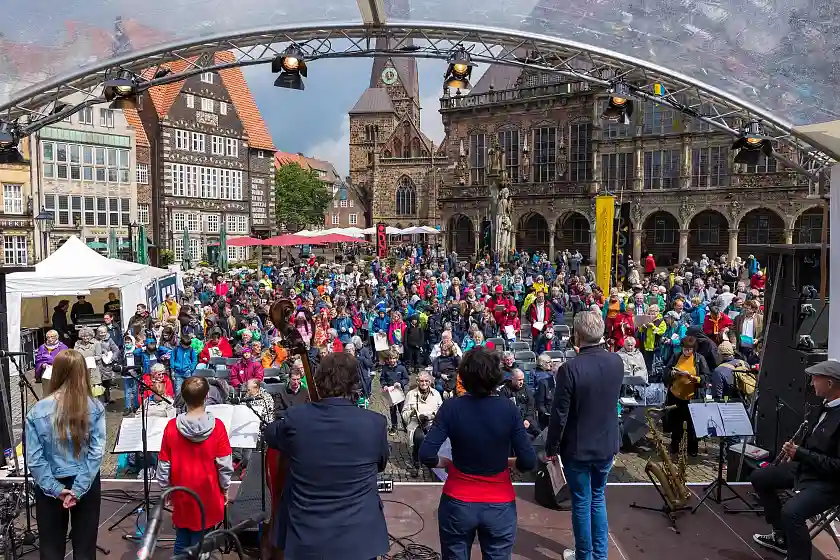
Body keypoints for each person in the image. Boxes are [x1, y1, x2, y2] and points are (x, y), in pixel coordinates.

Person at [264, 352, 390, 560]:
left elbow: (271, 434)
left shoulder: (296, 418)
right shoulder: (375, 423)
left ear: (319, 379)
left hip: (306, 536)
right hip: (359, 538)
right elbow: (381, 464)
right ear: (355, 383)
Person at [419, 347, 537, 560]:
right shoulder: (508, 409)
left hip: (458, 501)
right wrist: (507, 462)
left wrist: (445, 462)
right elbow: (528, 461)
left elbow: (426, 454)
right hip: (499, 504)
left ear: (464, 376)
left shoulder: (451, 407)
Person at [544, 311, 624, 560]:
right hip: (606, 444)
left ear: (577, 336)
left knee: (581, 502)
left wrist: (551, 448)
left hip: (578, 447)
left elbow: (559, 414)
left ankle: (584, 556)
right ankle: (599, 556)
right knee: (597, 498)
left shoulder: (569, 369)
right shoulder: (617, 361)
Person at [750, 359, 840, 560]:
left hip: (830, 482)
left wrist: (801, 454)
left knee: (792, 512)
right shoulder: (823, 407)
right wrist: (794, 453)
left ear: (830, 383)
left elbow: (837, 466)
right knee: (760, 477)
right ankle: (780, 536)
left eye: (816, 379)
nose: (811, 383)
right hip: (808, 469)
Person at [26, 349, 106, 560]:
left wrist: (55, 489)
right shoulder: (95, 407)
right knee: (85, 547)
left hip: (49, 482)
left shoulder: (37, 411)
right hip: (86, 481)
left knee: (51, 548)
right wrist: (78, 489)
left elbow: (34, 459)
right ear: (82, 373)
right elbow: (97, 453)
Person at [158, 376, 233, 556]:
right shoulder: (218, 427)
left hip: (182, 493)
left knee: (182, 539)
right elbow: (225, 465)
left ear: (183, 397)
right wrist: (225, 489)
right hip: (208, 494)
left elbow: (163, 465)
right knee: (202, 544)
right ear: (207, 397)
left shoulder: (171, 427)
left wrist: (166, 489)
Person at [664, 336, 710, 456]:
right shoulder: (676, 356)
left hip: (692, 397)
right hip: (676, 395)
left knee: (692, 424)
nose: (687, 351)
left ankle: (692, 448)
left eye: (689, 349)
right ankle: (675, 445)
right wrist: (672, 373)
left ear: (694, 349)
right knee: (676, 422)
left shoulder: (699, 359)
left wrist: (696, 378)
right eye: (685, 348)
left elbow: (706, 377)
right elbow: (666, 371)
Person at [402, 372, 443, 477]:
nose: (424, 383)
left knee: (434, 439)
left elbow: (442, 411)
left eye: (426, 381)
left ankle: (432, 462)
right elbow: (404, 414)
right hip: (416, 423)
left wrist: (432, 416)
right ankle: (416, 463)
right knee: (419, 438)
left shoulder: (436, 394)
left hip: (432, 422)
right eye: (421, 381)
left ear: (430, 382)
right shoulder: (410, 394)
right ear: (417, 382)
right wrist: (412, 413)